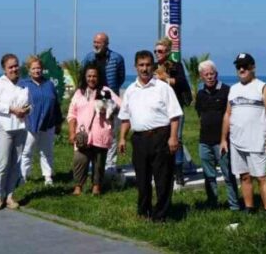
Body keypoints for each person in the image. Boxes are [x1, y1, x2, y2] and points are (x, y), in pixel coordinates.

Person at [117, 50, 182, 222]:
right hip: (139, 139)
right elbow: (125, 117)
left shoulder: (163, 88)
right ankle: (143, 211)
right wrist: (122, 137)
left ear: (153, 66)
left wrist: (173, 137)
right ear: (135, 67)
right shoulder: (130, 90)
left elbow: (175, 115)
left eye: (147, 65)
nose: (145, 69)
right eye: (141, 65)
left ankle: (160, 215)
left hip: (161, 137)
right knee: (142, 179)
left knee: (163, 179)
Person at [222, 53, 266, 219]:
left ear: (252, 67)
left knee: (261, 177)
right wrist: (223, 138)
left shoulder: (262, 87)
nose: (241, 69)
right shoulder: (233, 89)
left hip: (256, 141)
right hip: (236, 141)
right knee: (244, 176)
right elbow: (227, 114)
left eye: (245, 66)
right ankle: (249, 208)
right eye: (238, 66)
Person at [68, 63, 120, 195]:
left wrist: (111, 110)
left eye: (94, 76)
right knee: (80, 160)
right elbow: (72, 114)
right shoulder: (79, 93)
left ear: (99, 77)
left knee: (99, 163)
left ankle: (96, 186)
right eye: (89, 76)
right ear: (85, 77)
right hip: (82, 135)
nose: (91, 79)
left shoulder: (106, 90)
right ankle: (78, 186)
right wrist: (72, 132)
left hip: (101, 134)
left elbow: (121, 105)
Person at [195, 59, 240, 211]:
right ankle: (212, 203)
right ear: (201, 76)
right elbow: (199, 113)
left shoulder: (227, 91)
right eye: (206, 74)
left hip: (222, 141)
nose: (209, 77)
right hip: (204, 141)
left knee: (228, 175)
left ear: (217, 74)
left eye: (212, 74)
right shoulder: (200, 94)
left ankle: (234, 205)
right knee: (209, 176)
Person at [81, 32, 126, 176]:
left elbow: (121, 78)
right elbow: (84, 74)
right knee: (91, 129)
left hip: (110, 100)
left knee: (110, 132)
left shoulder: (117, 58)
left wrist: (110, 92)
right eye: (94, 42)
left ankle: (110, 165)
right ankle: (91, 163)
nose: (96, 44)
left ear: (106, 44)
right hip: (93, 99)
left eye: (99, 42)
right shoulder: (88, 57)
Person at [0, 53, 29, 210]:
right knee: (3, 162)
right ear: (4, 69)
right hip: (3, 127)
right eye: (10, 67)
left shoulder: (24, 84)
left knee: (16, 163)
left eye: (16, 65)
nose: (14, 69)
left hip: (20, 127)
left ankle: (10, 195)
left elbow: (28, 104)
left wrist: (26, 110)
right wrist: (12, 109)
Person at [154, 37, 192, 186]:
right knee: (161, 139)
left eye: (161, 51)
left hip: (175, 106)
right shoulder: (153, 66)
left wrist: (166, 79)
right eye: (156, 51)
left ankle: (179, 172)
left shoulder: (176, 66)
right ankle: (163, 169)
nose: (158, 53)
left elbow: (182, 82)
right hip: (158, 108)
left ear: (168, 52)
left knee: (177, 138)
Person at [18, 55, 61, 186]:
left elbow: (56, 104)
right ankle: (23, 176)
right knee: (27, 152)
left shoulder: (49, 85)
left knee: (47, 152)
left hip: (48, 124)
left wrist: (58, 122)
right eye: (34, 68)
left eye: (39, 68)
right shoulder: (23, 85)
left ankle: (48, 177)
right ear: (29, 70)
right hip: (31, 123)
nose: (37, 71)